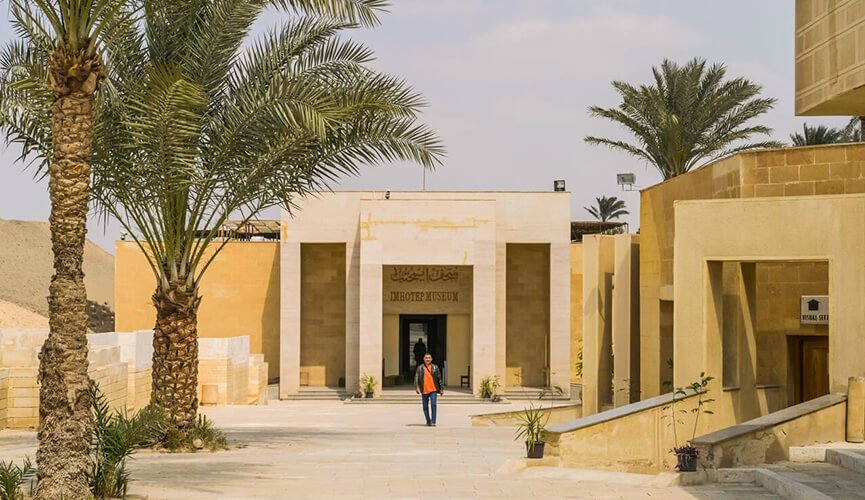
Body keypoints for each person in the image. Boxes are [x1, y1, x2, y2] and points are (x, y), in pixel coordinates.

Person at [415, 353, 443, 426]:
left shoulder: (435, 367)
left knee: (433, 405)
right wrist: (417, 387)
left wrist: (441, 389)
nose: (427, 359)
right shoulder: (420, 368)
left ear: (431, 359)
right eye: (426, 358)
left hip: (433, 389)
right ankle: (428, 420)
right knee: (425, 407)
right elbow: (416, 378)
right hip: (424, 390)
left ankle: (433, 421)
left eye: (429, 358)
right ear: (424, 359)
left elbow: (439, 378)